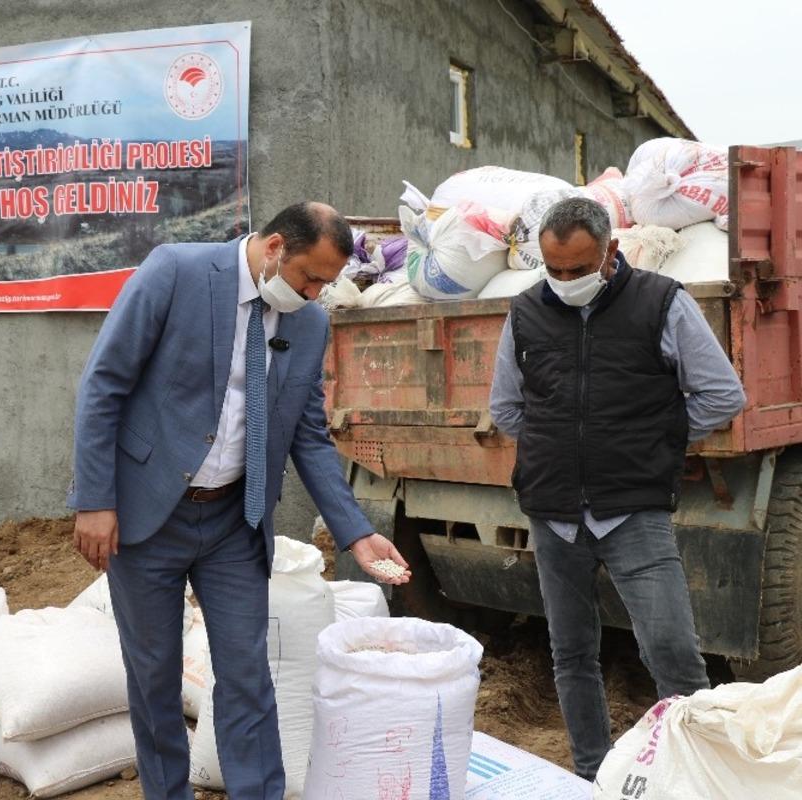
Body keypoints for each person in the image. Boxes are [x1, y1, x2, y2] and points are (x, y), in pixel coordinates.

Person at [69, 202, 411, 800]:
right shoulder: (174, 272)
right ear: (275, 245)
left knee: (248, 678)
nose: (313, 293)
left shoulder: (308, 324)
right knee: (154, 680)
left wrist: (355, 530)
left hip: (235, 518)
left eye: (326, 285)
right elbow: (105, 384)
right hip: (148, 515)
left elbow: (307, 432)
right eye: (310, 277)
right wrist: (95, 500)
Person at [488, 196, 746, 780]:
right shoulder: (526, 311)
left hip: (634, 514)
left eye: (578, 269)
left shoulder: (660, 302)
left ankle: (690, 779)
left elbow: (722, 395)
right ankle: (592, 777)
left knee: (674, 657)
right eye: (554, 270)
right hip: (553, 515)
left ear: (611, 252)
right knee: (572, 655)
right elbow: (506, 409)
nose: (565, 281)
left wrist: (652, 444)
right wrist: (561, 448)